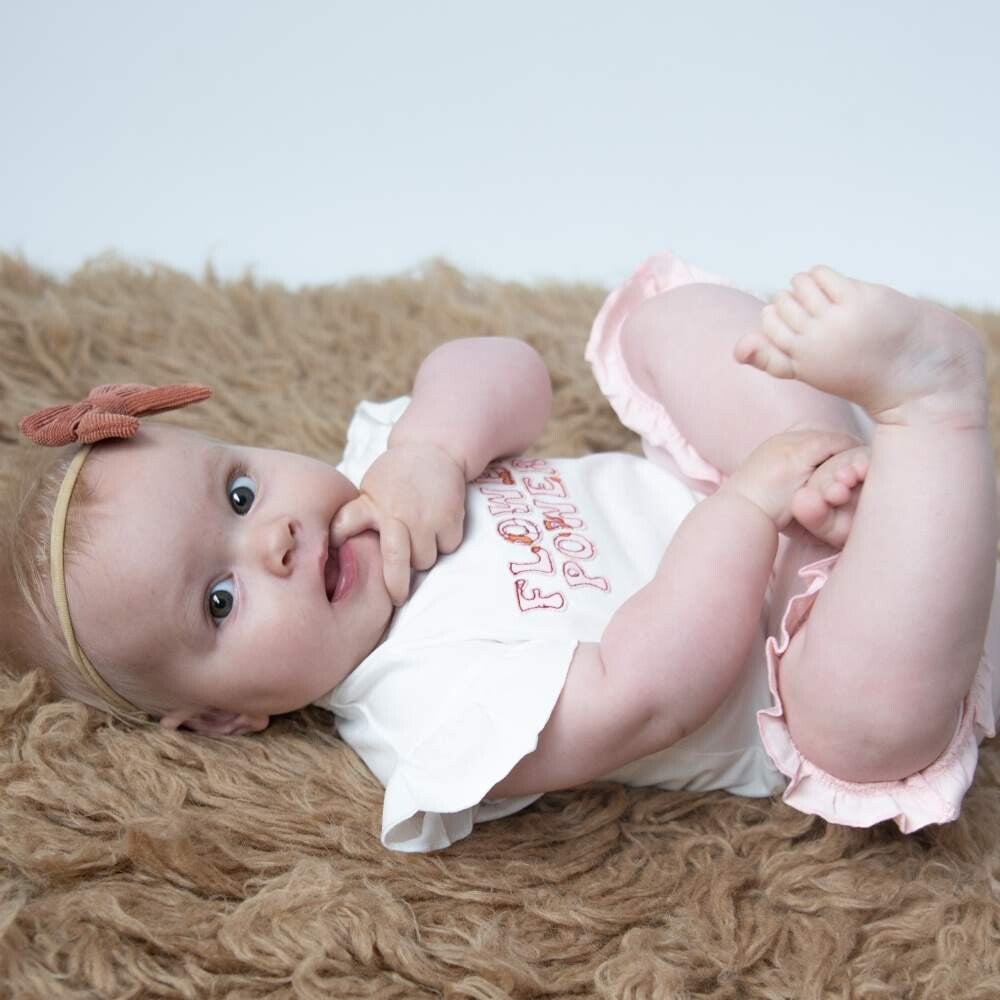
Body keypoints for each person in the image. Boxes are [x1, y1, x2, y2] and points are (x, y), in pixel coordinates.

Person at [7, 252, 999, 853]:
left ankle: (849, 456)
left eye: (239, 491)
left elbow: (509, 370)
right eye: (218, 600)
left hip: (766, 476)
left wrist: (434, 446)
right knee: (860, 727)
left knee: (664, 326)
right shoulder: (425, 714)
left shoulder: (383, 464)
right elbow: (644, 693)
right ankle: (931, 410)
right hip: (819, 654)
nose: (274, 539)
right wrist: (746, 511)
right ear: (226, 716)